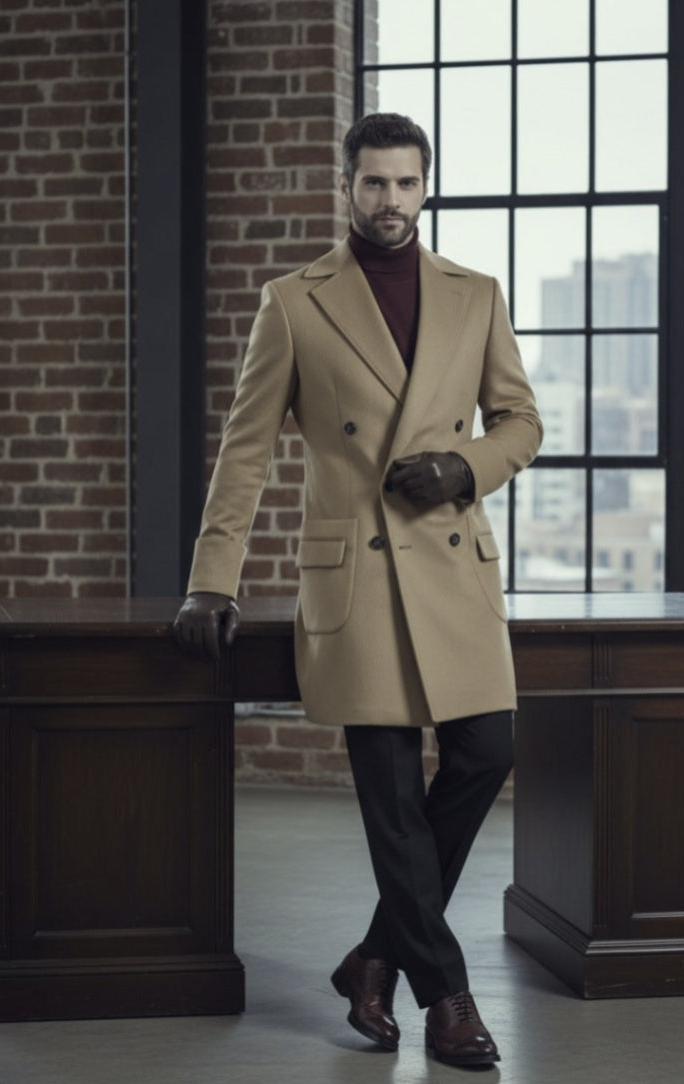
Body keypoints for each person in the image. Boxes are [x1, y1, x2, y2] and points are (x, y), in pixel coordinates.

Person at [173, 112, 542, 1069]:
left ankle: (373, 959)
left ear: (427, 190)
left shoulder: (475, 295)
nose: (389, 201)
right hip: (356, 578)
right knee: (389, 801)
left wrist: (463, 468)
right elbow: (244, 452)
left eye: (405, 184)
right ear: (346, 186)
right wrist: (212, 578)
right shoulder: (294, 302)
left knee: (485, 752)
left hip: (452, 566)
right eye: (372, 183)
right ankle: (448, 997)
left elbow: (520, 420)